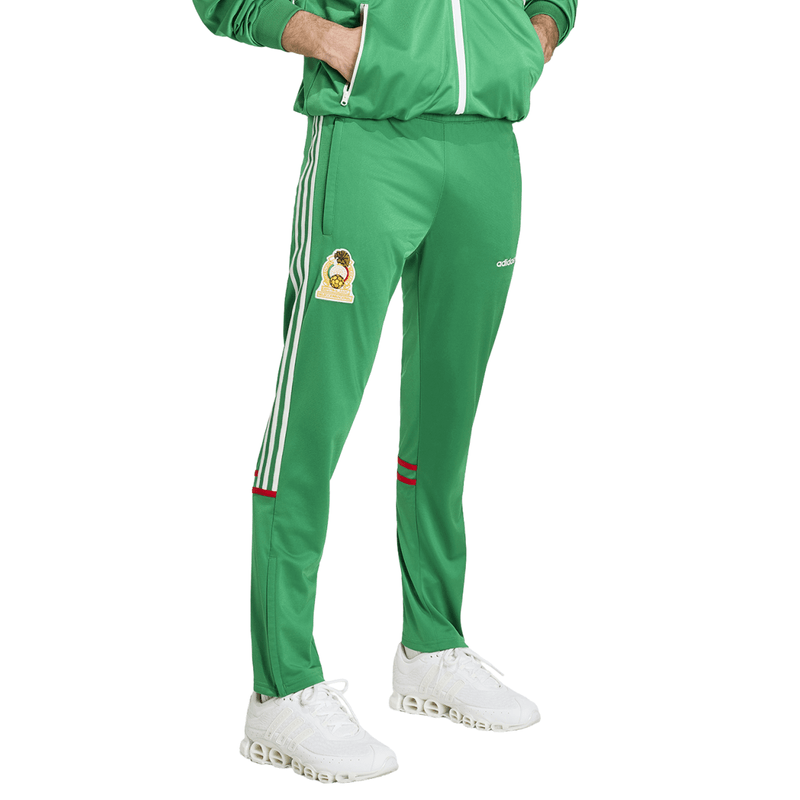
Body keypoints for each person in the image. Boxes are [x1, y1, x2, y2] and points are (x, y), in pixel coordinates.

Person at [191, 0, 577, 784]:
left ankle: (432, 645)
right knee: (311, 419)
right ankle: (281, 687)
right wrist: (332, 44)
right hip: (368, 138)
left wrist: (533, 40)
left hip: (487, 146)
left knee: (447, 423)